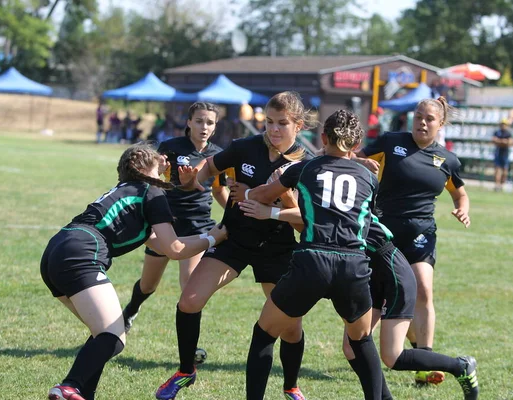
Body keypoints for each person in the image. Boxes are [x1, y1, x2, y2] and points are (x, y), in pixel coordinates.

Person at [155, 92, 312, 400]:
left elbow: (304, 222)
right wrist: (191, 179)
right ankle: (186, 371)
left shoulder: (307, 163)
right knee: (189, 301)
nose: (274, 130)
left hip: (278, 248)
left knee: (291, 327)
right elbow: (207, 170)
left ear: (299, 125)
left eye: (282, 123)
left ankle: (291, 386)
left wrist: (274, 205)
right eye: (269, 122)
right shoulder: (244, 147)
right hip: (234, 239)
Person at [41, 143, 228, 400]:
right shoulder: (151, 191)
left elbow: (160, 243)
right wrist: (213, 238)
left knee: (103, 333)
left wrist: (202, 239)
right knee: (113, 336)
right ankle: (69, 386)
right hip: (81, 252)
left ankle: (80, 392)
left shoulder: (130, 190)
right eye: (158, 161)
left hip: (56, 251)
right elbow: (174, 248)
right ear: (146, 168)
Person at [240, 109, 384, 400]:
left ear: (322, 137)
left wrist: (248, 193)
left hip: (313, 260)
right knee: (362, 340)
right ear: (356, 145)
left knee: (264, 333)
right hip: (353, 264)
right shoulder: (370, 179)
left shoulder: (305, 168)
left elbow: (265, 196)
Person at [355, 96, 471, 385]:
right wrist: (361, 162)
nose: (422, 122)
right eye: (418, 116)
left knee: (423, 289)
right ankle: (397, 346)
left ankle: (424, 361)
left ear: (440, 124)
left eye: (429, 119)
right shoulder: (391, 141)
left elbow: (460, 193)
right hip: (383, 231)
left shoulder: (448, 160)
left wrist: (462, 208)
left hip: (421, 233)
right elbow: (356, 158)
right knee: (384, 297)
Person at [122, 102, 229, 335]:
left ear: (215, 126)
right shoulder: (171, 147)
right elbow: (153, 179)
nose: (204, 126)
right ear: (188, 122)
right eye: (199, 121)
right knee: (148, 285)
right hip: (166, 223)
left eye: (209, 122)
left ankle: (190, 346)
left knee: (190, 290)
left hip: (197, 225)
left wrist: (234, 210)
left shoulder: (218, 155)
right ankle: (131, 310)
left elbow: (219, 190)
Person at [342, 220, 479, 400]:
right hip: (370, 274)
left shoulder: (349, 200)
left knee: (392, 356)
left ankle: (459, 366)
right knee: (352, 347)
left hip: (393, 275)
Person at [492, 119, 513, 191]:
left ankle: (502, 185)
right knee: (497, 169)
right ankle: (497, 185)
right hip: (498, 153)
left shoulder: (508, 133)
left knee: (505, 170)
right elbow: (494, 140)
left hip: (505, 154)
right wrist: (503, 142)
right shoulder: (497, 132)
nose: (503, 126)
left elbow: (510, 142)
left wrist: (500, 142)